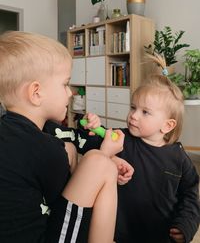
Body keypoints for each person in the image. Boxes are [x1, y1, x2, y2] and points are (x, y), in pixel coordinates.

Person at [0, 31, 134, 243]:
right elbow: (71, 201)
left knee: (70, 149)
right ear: (36, 93)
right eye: (65, 84)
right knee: (99, 164)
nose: (71, 93)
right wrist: (106, 154)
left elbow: (70, 146)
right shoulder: (43, 147)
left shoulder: (13, 132)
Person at [47, 75, 200, 243]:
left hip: (158, 235)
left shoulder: (178, 157)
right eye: (133, 107)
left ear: (167, 125)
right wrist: (90, 127)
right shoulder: (119, 138)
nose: (133, 115)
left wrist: (186, 224)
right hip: (118, 234)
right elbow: (87, 144)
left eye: (145, 112)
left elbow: (190, 194)